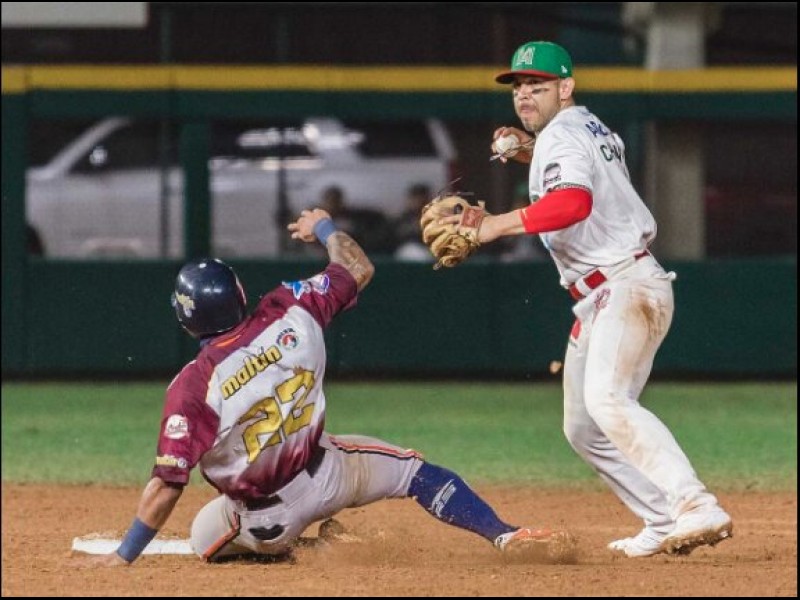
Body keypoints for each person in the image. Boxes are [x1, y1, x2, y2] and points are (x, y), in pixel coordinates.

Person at [76, 207, 569, 567]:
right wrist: (325, 227)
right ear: (239, 294)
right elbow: (358, 268)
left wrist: (124, 555)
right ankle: (504, 535)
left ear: (186, 319)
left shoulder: (193, 384)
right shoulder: (290, 308)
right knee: (417, 473)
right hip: (329, 475)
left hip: (264, 522)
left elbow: (167, 484)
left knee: (204, 538)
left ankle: (300, 549)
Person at [447, 40, 733, 558]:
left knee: (608, 400)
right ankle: (662, 519)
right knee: (583, 427)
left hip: (624, 284)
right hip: (607, 290)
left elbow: (574, 203)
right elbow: (583, 171)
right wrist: (528, 149)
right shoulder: (584, 125)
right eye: (518, 86)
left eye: (538, 85)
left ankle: (696, 505)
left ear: (566, 87)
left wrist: (494, 225)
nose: (525, 95)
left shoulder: (562, 134)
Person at [393, 183, 435, 262]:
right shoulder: (403, 220)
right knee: (412, 251)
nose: (419, 202)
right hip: (408, 253)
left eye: (423, 199)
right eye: (416, 199)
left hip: (431, 253)